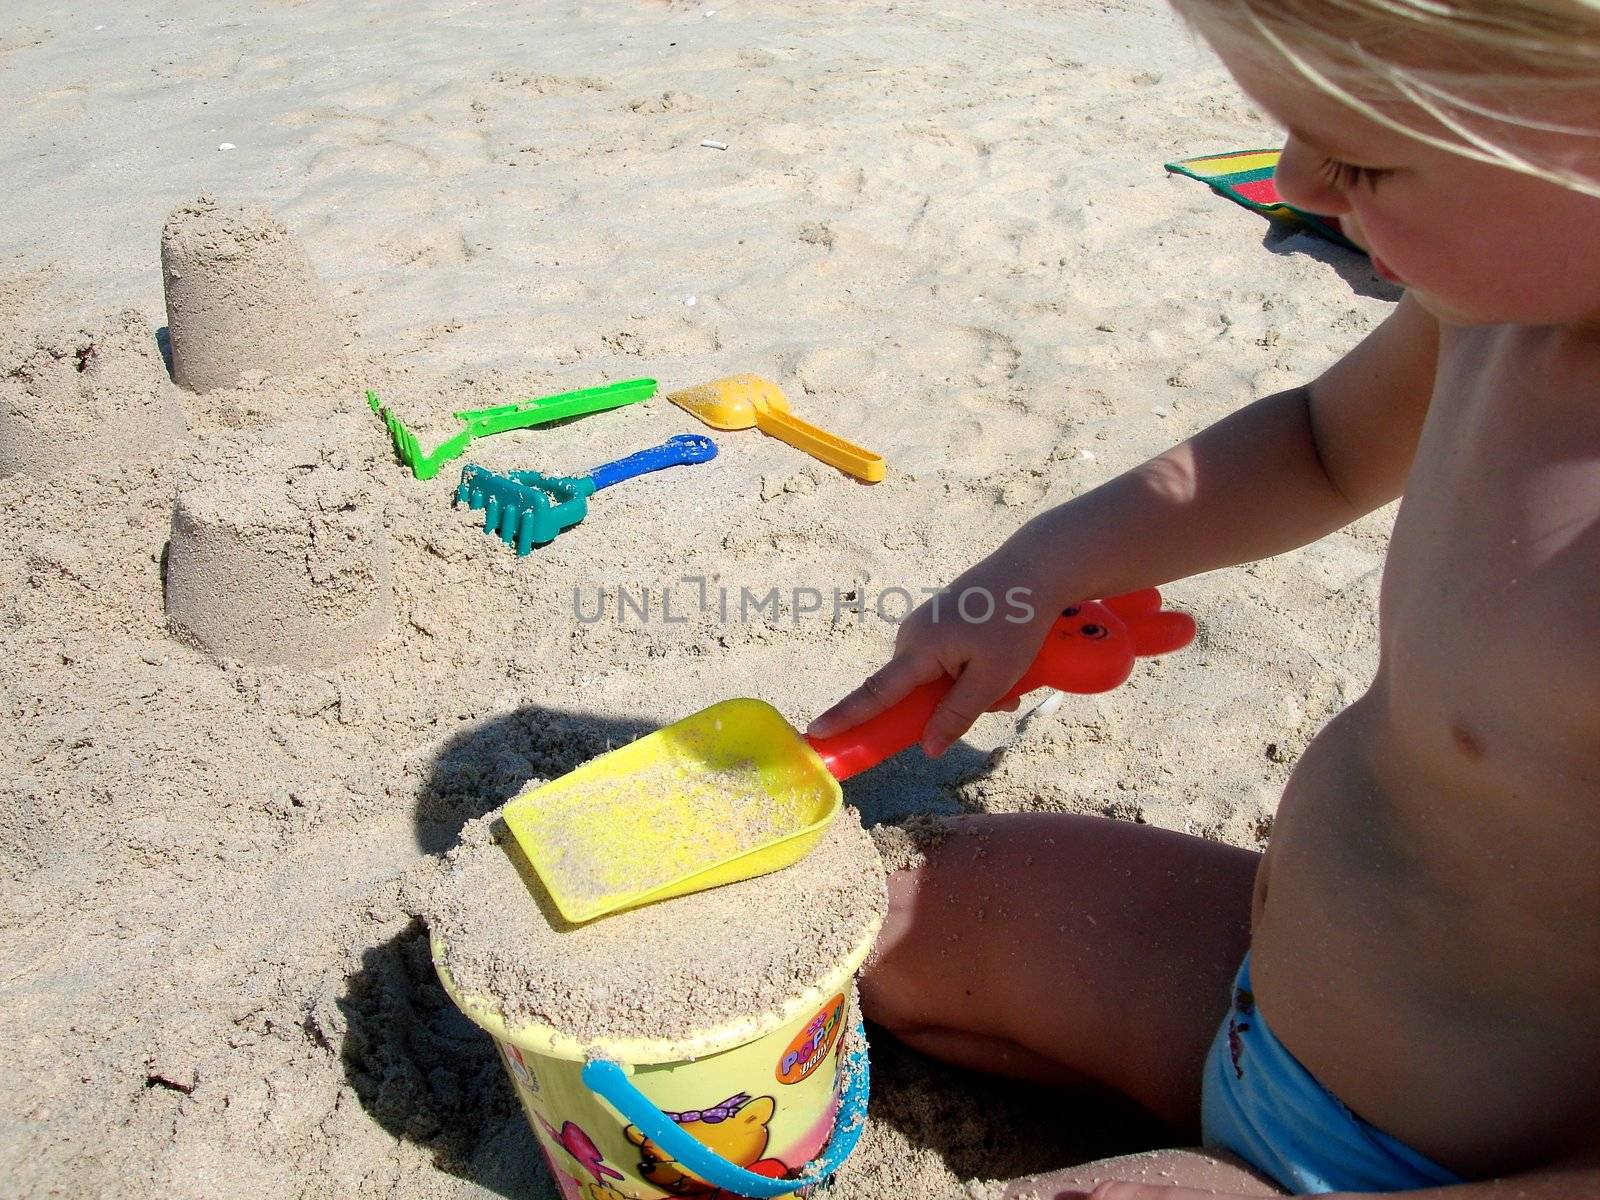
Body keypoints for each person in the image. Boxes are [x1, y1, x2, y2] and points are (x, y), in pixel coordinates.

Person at [807, 1, 1600, 1195]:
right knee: (884, 910)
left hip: (1424, 1166)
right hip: (1263, 992)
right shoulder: (1509, 300)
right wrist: (1036, 571)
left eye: (1364, 157)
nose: (1293, 184)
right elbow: (1324, 444)